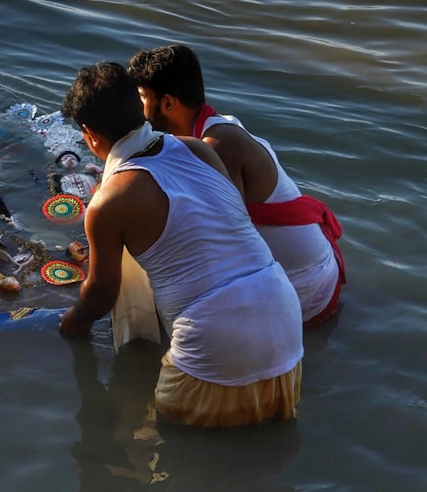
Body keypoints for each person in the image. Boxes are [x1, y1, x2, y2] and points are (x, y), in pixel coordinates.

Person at [59, 61, 303, 428]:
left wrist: (69, 326)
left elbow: (101, 294)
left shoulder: (109, 202)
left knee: (166, 452)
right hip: (284, 320)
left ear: (90, 136)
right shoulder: (199, 151)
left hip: (213, 339)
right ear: (140, 108)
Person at [128, 44, 345, 327]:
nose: (139, 108)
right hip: (309, 268)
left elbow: (223, 243)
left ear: (168, 103)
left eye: (143, 97)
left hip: (306, 288)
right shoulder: (215, 128)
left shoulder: (217, 146)